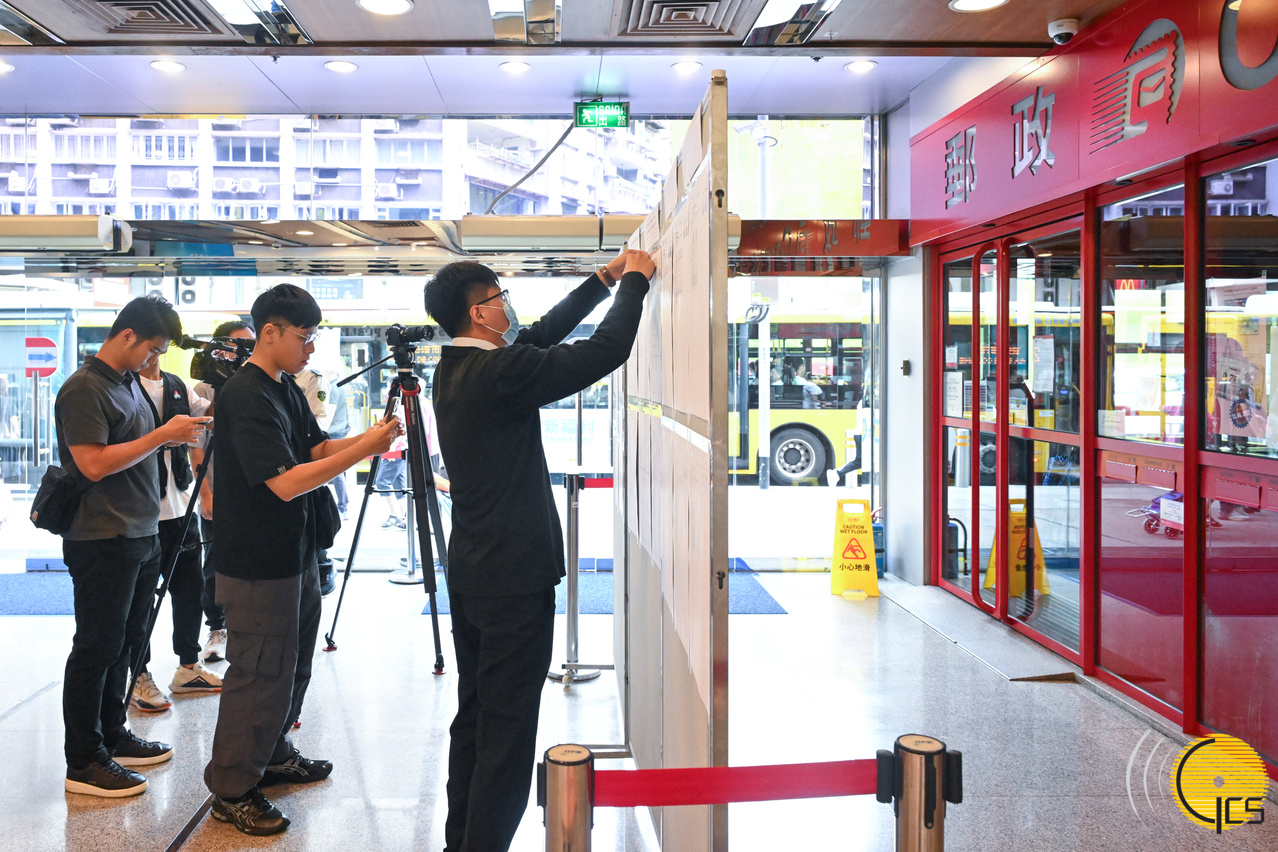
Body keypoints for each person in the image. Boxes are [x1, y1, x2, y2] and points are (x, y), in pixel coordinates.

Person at [425, 248, 654, 852]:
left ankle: (461, 841)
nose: (509, 306)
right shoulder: (499, 373)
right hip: (512, 578)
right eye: (500, 298)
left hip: (475, 569)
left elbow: (542, 334)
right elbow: (603, 352)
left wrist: (601, 280)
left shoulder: (456, 366)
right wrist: (635, 282)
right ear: (479, 313)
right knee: (506, 729)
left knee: (476, 716)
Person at [203, 284, 399, 836]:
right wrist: (363, 453)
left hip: (296, 553)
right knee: (259, 672)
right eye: (304, 336)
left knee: (292, 665)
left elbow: (313, 450)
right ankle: (232, 789)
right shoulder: (245, 395)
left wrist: (367, 439)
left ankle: (272, 753)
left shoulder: (284, 386)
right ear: (270, 332)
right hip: (257, 561)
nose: (310, 347)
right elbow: (286, 483)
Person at [55, 294, 211, 797]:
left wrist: (171, 437)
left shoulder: (127, 383)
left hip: (142, 531)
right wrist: (162, 434)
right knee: (96, 647)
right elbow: (93, 463)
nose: (154, 359)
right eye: (152, 348)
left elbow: (134, 448)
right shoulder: (85, 388)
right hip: (102, 536)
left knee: (126, 644)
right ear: (127, 335)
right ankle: (84, 761)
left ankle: (112, 735)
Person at [129, 351, 222, 713]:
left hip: (180, 507)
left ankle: (188, 666)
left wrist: (227, 382)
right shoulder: (123, 387)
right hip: (140, 513)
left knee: (189, 591)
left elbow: (208, 422)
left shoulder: (176, 385)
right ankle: (138, 675)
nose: (152, 353)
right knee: (140, 601)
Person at [193, 320, 255, 665]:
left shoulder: (260, 383)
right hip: (218, 491)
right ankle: (217, 628)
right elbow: (196, 446)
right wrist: (205, 494)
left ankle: (248, 628)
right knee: (215, 563)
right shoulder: (204, 390)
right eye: (237, 346)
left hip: (256, 492)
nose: (244, 354)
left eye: (250, 346)